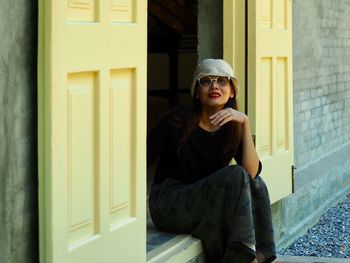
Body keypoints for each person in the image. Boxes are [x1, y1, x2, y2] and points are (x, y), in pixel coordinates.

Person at [147, 59, 276, 263]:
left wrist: (245, 123)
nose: (214, 86)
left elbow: (252, 173)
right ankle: (245, 260)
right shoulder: (176, 119)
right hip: (169, 202)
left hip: (205, 203)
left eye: (222, 81)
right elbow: (141, 159)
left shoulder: (232, 127)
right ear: (197, 92)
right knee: (235, 174)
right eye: (206, 81)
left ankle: (258, 256)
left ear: (231, 92)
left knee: (256, 183)